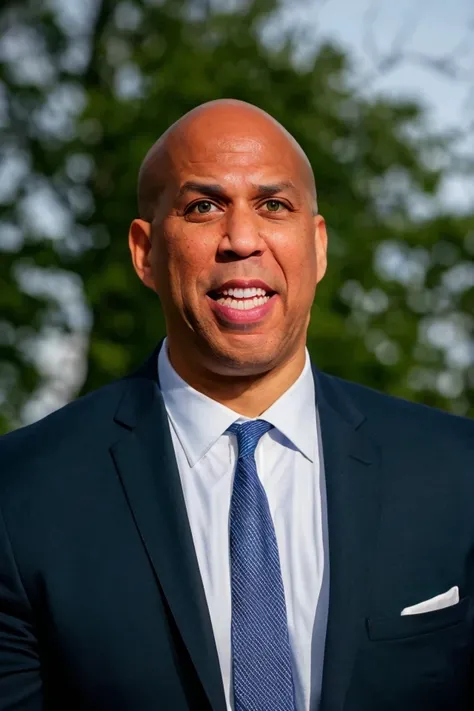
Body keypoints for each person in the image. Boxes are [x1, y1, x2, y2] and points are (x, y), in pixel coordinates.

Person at [0, 99, 473, 711]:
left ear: (319, 245)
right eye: (204, 207)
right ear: (146, 252)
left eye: (273, 206)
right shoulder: (20, 494)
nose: (243, 239)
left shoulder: (457, 474)